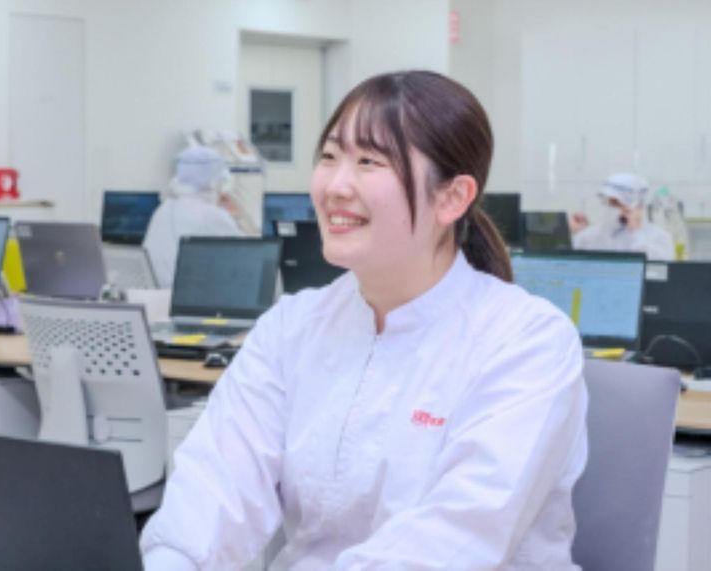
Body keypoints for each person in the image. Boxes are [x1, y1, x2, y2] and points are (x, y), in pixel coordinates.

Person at [141, 71, 587, 569]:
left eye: (369, 162)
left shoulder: (526, 342)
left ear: (452, 197)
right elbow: (216, 486)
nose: (335, 185)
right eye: (330, 156)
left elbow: (453, 540)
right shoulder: (292, 327)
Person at [143, 146, 243, 288]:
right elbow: (246, 256)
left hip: (156, 294)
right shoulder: (212, 215)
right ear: (213, 182)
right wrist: (235, 218)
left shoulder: (162, 210)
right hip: (189, 295)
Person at [570, 172, 676, 260]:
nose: (609, 207)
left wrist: (635, 232)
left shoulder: (658, 237)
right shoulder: (591, 235)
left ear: (634, 205)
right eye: (606, 201)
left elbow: (657, 269)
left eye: (616, 202)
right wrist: (576, 233)